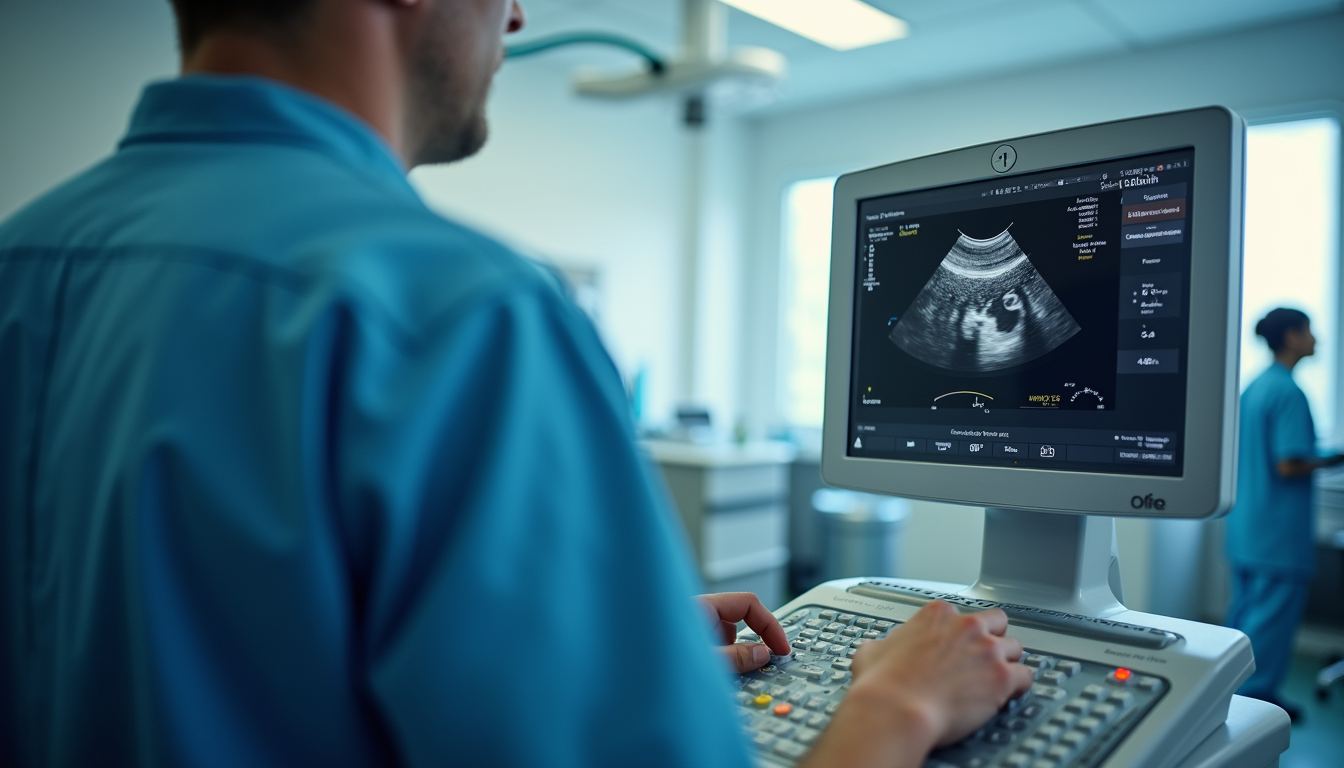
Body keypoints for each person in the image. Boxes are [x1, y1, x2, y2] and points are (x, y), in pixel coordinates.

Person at [0, 1, 1032, 765]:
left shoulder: (24, 262)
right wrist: (894, 713)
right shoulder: (465, 310)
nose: (519, 13)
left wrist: (597, 647)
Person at [1225, 308, 1344, 722]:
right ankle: (1254, 703)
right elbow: (1289, 463)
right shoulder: (1289, 392)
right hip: (1278, 534)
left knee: (1244, 618)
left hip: (1248, 528)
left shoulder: (1255, 388)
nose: (1317, 339)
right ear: (1292, 337)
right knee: (1270, 623)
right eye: (1310, 331)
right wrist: (1335, 458)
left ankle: (1228, 692)